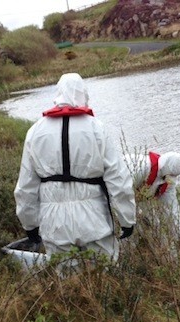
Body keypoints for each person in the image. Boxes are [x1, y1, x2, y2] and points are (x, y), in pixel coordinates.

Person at [14, 73, 136, 260]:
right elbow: (118, 179)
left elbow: (25, 187)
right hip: (94, 219)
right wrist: (127, 219)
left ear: (58, 94)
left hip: (54, 223)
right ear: (84, 94)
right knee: (105, 275)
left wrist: (30, 225)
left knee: (66, 282)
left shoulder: (35, 132)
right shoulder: (96, 128)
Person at [133, 151, 180, 250]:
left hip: (138, 201)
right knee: (130, 231)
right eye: (170, 175)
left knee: (154, 226)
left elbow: (172, 209)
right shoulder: (139, 167)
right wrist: (137, 214)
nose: (171, 179)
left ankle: (157, 256)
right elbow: (118, 195)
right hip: (114, 198)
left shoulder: (167, 181)